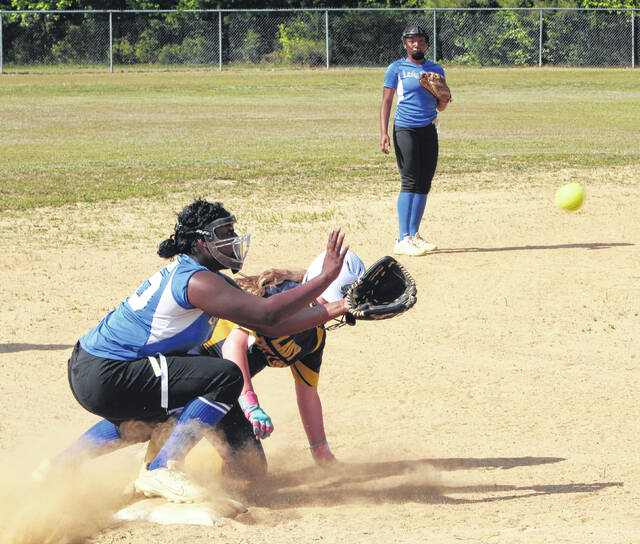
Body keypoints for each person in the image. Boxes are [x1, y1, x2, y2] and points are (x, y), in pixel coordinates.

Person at [48, 199, 351, 504]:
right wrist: (325, 278)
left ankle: (58, 467)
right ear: (200, 242)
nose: (233, 240)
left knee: (246, 469)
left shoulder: (206, 279)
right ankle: (162, 467)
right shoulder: (196, 281)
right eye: (224, 233)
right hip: (106, 371)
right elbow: (267, 315)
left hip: (98, 370)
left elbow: (271, 327)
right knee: (225, 376)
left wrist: (341, 307)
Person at [198, 250, 366, 478]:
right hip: (196, 370)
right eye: (327, 299)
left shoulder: (314, 337)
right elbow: (232, 346)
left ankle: (208, 488)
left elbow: (308, 394)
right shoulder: (280, 297)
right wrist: (250, 404)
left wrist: (322, 453)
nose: (329, 310)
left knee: (250, 470)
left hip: (220, 389)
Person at [379, 24, 449, 257]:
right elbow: (387, 102)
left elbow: (441, 104)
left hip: (428, 129)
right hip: (405, 129)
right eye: (412, 41)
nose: (416, 44)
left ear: (426, 44)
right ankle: (402, 238)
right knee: (409, 180)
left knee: (424, 182)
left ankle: (414, 235)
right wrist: (384, 132)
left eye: (420, 41)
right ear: (405, 44)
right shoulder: (396, 68)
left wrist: (444, 99)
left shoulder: (436, 69)